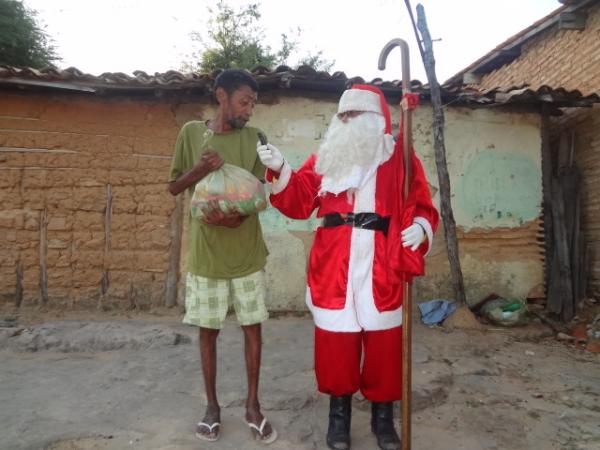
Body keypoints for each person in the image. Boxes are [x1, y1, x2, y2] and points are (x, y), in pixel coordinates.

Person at [256, 84, 439, 450]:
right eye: (343, 115)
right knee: (336, 346)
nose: (347, 121)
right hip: (334, 263)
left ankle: (383, 419)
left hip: (381, 262)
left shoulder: (399, 157)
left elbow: (420, 201)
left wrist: (420, 227)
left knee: (386, 346)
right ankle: (338, 419)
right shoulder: (327, 158)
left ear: (376, 120)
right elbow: (300, 200)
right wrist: (281, 170)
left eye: (355, 114)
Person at [168, 69, 276, 445]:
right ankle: (211, 407)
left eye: (253, 104)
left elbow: (260, 195)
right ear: (222, 97)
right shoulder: (192, 135)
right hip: (207, 256)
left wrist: (236, 220)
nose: (248, 110)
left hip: (246, 252)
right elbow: (174, 186)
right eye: (244, 101)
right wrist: (201, 169)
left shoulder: (255, 140)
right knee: (208, 333)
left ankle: (252, 405)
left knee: (253, 330)